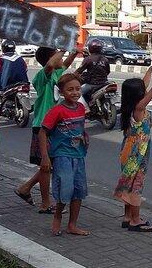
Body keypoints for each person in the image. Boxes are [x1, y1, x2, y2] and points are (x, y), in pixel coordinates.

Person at [113, 61, 152, 232]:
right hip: (136, 153)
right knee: (136, 186)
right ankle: (135, 220)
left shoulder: (129, 106)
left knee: (129, 184)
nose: (145, 90)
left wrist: (149, 70)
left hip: (128, 149)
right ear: (139, 95)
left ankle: (127, 216)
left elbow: (146, 85)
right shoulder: (139, 108)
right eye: (142, 90)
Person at [15, 47, 78, 214]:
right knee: (46, 166)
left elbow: (64, 64)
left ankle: (25, 188)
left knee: (49, 165)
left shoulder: (58, 74)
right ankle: (45, 203)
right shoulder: (42, 76)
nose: (61, 60)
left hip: (56, 128)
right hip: (43, 127)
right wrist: (62, 49)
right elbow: (51, 64)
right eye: (58, 57)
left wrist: (74, 53)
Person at [39, 73, 89, 236]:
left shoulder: (81, 108)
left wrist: (84, 136)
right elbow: (43, 132)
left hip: (78, 155)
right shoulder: (57, 111)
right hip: (62, 156)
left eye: (77, 89)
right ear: (61, 92)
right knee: (64, 189)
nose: (75, 93)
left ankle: (72, 224)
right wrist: (45, 157)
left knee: (78, 190)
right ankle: (58, 216)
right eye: (70, 90)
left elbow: (80, 127)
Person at [75, 39, 110, 103]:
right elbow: (107, 72)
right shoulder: (105, 59)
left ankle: (85, 109)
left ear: (90, 48)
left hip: (92, 84)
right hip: (104, 83)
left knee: (77, 93)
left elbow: (78, 71)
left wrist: (73, 75)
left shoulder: (88, 59)